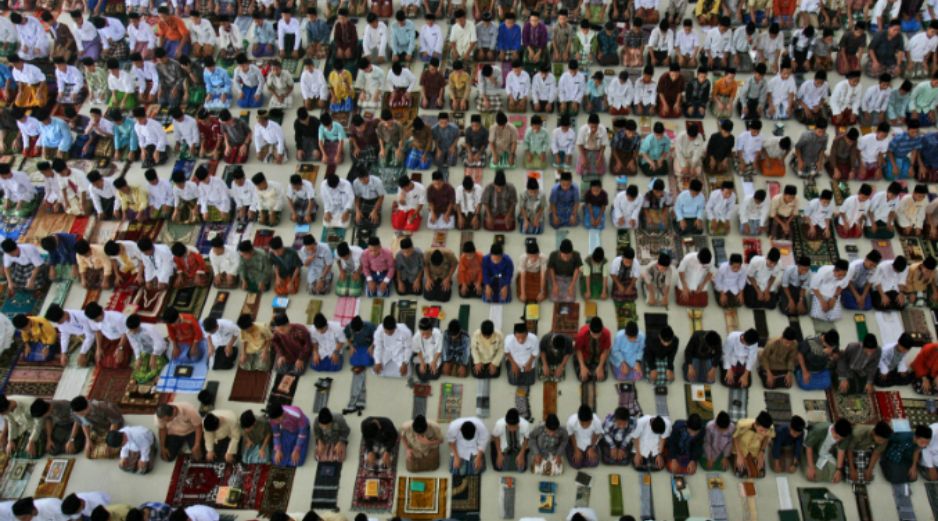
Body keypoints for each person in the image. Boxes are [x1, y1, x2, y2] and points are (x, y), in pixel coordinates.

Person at [732, 411, 775, 478]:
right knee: (740, 473)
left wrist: (762, 452)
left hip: (755, 450)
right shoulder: (742, 425)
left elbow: (767, 437)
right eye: (761, 430)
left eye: (766, 430)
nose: (763, 433)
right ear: (755, 424)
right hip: (742, 448)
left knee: (760, 474)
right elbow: (735, 437)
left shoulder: (770, 428)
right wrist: (739, 455)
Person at [268, 402, 310, 467]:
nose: (276, 422)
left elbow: (302, 434)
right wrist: (278, 449)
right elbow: (276, 434)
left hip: (301, 432)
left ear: (282, 414)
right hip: (287, 431)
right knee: (275, 459)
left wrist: (297, 449)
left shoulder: (296, 413)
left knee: (298, 461)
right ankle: (287, 458)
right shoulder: (272, 419)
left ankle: (291, 456)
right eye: (275, 420)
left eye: (278, 419)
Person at [574, 317, 611, 382]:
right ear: (589, 329)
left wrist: (600, 366)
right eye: (593, 334)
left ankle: (596, 369)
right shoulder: (581, 334)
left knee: (601, 378)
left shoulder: (606, 333)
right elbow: (578, 350)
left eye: (598, 334)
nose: (596, 337)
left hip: (599, 356)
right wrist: (582, 366)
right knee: (583, 378)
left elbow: (606, 350)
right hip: (585, 356)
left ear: (602, 329)